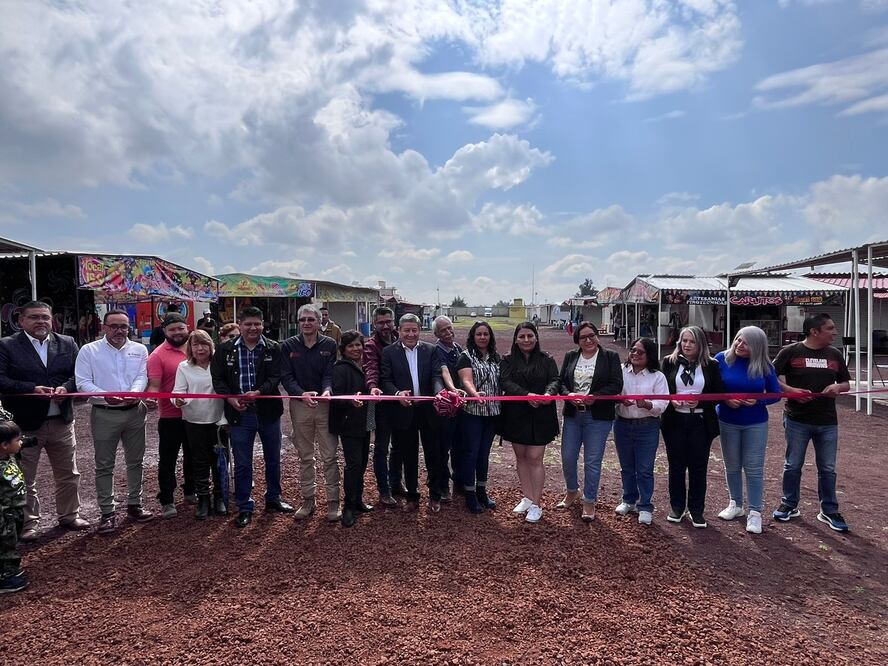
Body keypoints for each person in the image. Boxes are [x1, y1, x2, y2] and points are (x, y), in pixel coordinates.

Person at [0, 301, 88, 540]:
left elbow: (79, 375)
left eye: (45, 317)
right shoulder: (6, 346)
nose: (41, 322)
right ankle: (28, 524)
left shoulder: (67, 343)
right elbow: (1, 379)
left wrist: (65, 388)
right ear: (21, 321)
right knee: (25, 477)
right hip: (25, 426)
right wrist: (30, 388)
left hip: (61, 421)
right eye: (34, 317)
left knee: (69, 473)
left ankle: (70, 515)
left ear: (52, 320)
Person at [211, 306, 293, 528]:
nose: (253, 328)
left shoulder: (273, 348)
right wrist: (229, 399)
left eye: (257, 324)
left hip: (268, 412)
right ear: (240, 324)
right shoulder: (225, 349)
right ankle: (245, 506)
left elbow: (276, 376)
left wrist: (260, 392)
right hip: (240, 414)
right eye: (248, 324)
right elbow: (218, 379)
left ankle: (273, 498)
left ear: (263, 324)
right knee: (243, 462)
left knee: (273, 458)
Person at [74, 309, 153, 533]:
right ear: (104, 327)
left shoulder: (139, 349)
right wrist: (105, 394)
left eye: (123, 326)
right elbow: (82, 382)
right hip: (104, 412)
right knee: (104, 465)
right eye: (114, 326)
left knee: (136, 461)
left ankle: (134, 504)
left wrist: (135, 392)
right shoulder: (89, 350)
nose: (119, 331)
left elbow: (141, 376)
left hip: (135, 411)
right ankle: (107, 512)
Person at [772, 313, 851, 532]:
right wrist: (790, 391)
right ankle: (789, 504)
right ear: (814, 331)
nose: (835, 332)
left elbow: (846, 383)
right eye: (830, 328)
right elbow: (769, 377)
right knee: (792, 465)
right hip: (797, 420)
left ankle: (829, 510)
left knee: (827, 468)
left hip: (827, 422)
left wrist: (838, 387)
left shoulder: (835, 354)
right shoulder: (790, 352)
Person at [715, 326, 781, 534]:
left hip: (755, 422)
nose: (739, 345)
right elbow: (711, 387)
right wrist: (725, 399)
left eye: (745, 342)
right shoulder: (720, 359)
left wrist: (758, 401)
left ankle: (755, 512)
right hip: (727, 420)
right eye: (737, 340)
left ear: (757, 346)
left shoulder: (764, 365)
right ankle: (735, 504)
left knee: (753, 468)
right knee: (731, 465)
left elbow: (775, 393)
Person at [280, 304, 341, 522]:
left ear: (318, 322)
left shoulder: (330, 344)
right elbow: (286, 376)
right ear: (298, 323)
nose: (306, 323)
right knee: (305, 455)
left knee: (330, 455)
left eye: (311, 319)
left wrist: (326, 390)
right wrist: (300, 393)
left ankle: (334, 502)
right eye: (303, 320)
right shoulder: (288, 345)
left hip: (324, 405)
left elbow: (329, 372)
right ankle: (308, 499)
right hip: (299, 405)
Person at [660, 325, 725, 528]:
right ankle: (677, 507)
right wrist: (671, 400)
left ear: (701, 344)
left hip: (700, 422)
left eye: (691, 341)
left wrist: (701, 402)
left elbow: (718, 394)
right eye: (684, 341)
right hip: (675, 421)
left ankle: (697, 510)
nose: (686, 345)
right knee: (676, 466)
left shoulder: (711, 365)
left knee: (698, 468)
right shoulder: (669, 362)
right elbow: (662, 389)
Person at [557, 322, 623, 521]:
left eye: (592, 335)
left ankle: (589, 500)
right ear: (577, 340)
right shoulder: (571, 356)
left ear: (598, 336)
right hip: (573, 415)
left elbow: (616, 384)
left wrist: (596, 395)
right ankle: (572, 491)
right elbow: (561, 383)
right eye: (583, 337)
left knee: (592, 461)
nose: (588, 340)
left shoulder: (610, 357)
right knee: (568, 457)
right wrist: (570, 395)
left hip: (598, 417)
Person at [380, 314, 444, 512]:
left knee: (434, 454)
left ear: (419, 331)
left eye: (414, 330)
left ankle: (435, 495)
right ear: (398, 331)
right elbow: (386, 380)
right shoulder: (389, 352)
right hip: (403, 411)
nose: (410, 334)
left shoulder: (431, 350)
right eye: (406, 330)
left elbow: (436, 375)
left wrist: (438, 392)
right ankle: (413, 496)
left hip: (428, 411)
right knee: (408, 456)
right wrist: (397, 394)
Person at [499, 322, 559, 523]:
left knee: (535, 457)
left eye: (530, 336)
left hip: (541, 414)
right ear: (516, 339)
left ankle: (536, 504)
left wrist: (547, 394)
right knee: (521, 457)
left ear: (536, 337)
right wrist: (526, 395)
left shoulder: (546, 359)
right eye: (522, 337)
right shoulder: (507, 360)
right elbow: (505, 382)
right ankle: (527, 496)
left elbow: (555, 380)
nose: (526, 340)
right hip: (517, 414)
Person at [613, 337, 668, 525]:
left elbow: (663, 404)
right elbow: (611, 393)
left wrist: (647, 404)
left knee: (644, 468)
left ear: (649, 355)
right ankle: (628, 499)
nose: (635, 354)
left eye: (640, 352)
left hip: (647, 426)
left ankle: (645, 505)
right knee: (626, 466)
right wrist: (619, 399)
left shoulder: (658, 377)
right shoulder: (620, 371)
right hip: (622, 424)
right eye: (633, 350)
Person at [173, 330, 226, 520]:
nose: (200, 348)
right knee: (199, 461)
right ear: (190, 348)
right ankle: (203, 498)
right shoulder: (183, 367)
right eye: (195, 345)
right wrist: (178, 401)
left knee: (220, 461)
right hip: (194, 421)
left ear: (211, 345)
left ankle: (220, 496)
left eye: (204, 344)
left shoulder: (219, 364)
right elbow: (177, 392)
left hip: (219, 421)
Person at [146, 313, 195, 518]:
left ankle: (191, 491)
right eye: (172, 329)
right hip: (170, 416)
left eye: (180, 328)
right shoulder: (157, 355)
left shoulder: (197, 348)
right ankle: (167, 499)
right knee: (168, 459)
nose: (177, 332)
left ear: (188, 327)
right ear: (164, 332)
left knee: (193, 455)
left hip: (196, 415)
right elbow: (154, 386)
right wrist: (149, 399)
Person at [329, 330, 375, 527]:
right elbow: (337, 396)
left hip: (364, 421)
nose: (356, 349)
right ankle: (349, 506)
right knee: (353, 464)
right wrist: (350, 401)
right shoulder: (340, 368)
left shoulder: (366, 367)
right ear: (344, 349)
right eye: (351, 346)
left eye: (358, 345)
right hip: (349, 423)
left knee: (363, 462)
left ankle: (357, 500)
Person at [456, 320, 501, 513]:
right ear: (473, 337)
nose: (483, 337)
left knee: (484, 455)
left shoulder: (495, 357)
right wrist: (474, 393)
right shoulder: (466, 357)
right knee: (471, 454)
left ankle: (482, 491)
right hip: (473, 414)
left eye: (486, 334)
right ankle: (470, 493)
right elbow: (466, 379)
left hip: (492, 414)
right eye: (479, 334)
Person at [362, 306, 403, 507]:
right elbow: (370, 368)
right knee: (381, 447)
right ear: (374, 324)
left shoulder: (401, 339)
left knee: (400, 445)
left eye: (388, 321)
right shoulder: (371, 346)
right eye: (381, 323)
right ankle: (384, 490)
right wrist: (373, 387)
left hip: (403, 400)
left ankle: (396, 482)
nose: (385, 326)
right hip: (382, 402)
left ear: (394, 321)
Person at [432, 315, 465, 501]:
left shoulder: (458, 348)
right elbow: (444, 372)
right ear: (436, 333)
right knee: (443, 449)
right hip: (445, 407)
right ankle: (443, 486)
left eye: (449, 328)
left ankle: (458, 483)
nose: (448, 332)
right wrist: (453, 390)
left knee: (459, 447)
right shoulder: (437, 350)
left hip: (460, 406)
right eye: (443, 330)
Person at [0, 411, 28, 593]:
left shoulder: (9, 456)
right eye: (18, 440)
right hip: (4, 515)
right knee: (5, 544)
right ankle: (6, 576)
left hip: (15, 510)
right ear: (4, 445)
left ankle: (10, 570)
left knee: (13, 539)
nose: (21, 443)